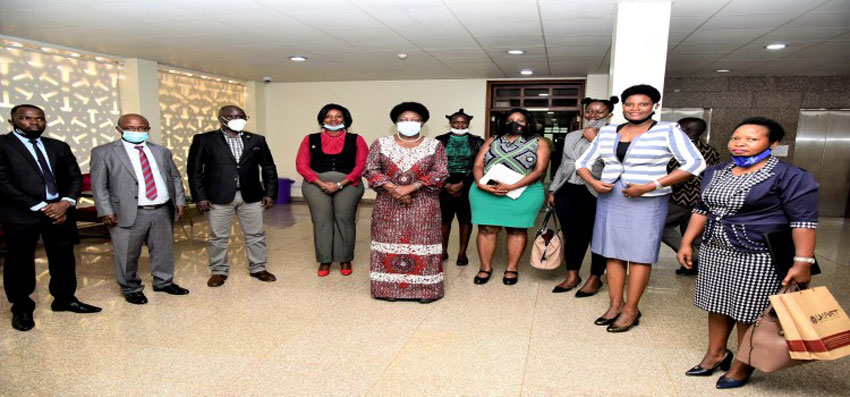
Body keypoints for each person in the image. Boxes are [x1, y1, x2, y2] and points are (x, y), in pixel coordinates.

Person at [678, 117, 818, 389]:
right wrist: (686, 242)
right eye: (736, 138)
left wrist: (803, 262)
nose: (740, 143)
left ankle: (744, 362)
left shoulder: (790, 176)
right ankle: (716, 353)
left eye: (752, 139)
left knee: (748, 311)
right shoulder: (716, 172)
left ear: (773, 144)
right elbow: (702, 209)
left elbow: (804, 222)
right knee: (716, 304)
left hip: (758, 253)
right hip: (715, 250)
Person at [575, 84, 705, 332]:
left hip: (648, 199)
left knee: (639, 255)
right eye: (630, 104)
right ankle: (615, 305)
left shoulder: (668, 130)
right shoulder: (609, 131)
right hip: (611, 196)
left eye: (643, 104)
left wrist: (652, 185)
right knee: (611, 252)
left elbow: (694, 163)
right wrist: (593, 181)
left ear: (654, 106)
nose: (635, 109)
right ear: (623, 106)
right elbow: (583, 162)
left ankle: (631, 309)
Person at [0, 104, 101, 332]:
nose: (34, 122)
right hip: (22, 213)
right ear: (12, 121)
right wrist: (42, 206)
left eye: (40, 119)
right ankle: (22, 308)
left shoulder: (58, 146)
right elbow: (3, 182)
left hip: (61, 212)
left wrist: (65, 202)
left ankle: (65, 299)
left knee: (64, 257)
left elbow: (74, 176)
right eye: (26, 118)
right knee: (20, 261)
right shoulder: (3, 146)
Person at [90, 114, 190, 305]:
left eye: (142, 128)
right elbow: (99, 185)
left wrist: (179, 200)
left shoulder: (161, 151)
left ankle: (164, 282)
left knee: (163, 250)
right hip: (126, 211)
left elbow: (174, 177)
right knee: (127, 253)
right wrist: (105, 210)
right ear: (119, 129)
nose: (137, 132)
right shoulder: (103, 152)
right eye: (131, 128)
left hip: (161, 209)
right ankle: (131, 288)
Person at [365, 102, 448, 303]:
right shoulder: (381, 143)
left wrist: (411, 187)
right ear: (395, 122)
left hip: (424, 206)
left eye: (414, 120)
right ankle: (388, 289)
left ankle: (425, 291)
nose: (408, 123)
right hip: (388, 205)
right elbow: (371, 170)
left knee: (424, 243)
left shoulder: (434, 145)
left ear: (423, 123)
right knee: (388, 242)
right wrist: (394, 190)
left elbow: (441, 172)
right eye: (403, 120)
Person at [187, 105, 278, 287]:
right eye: (232, 116)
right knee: (218, 236)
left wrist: (270, 192)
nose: (238, 118)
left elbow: (268, 167)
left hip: (251, 196)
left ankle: (258, 267)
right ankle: (219, 271)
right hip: (216, 197)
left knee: (256, 234)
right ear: (221, 118)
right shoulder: (204, 140)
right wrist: (200, 196)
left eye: (241, 116)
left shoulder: (257, 140)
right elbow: (194, 170)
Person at [468, 108, 550, 286]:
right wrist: (481, 184)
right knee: (487, 229)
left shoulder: (538, 142)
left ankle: (512, 268)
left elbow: (539, 170)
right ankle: (485, 267)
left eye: (520, 120)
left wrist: (512, 186)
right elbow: (478, 165)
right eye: (511, 120)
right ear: (504, 123)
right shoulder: (493, 139)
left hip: (524, 192)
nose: (515, 123)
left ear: (528, 123)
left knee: (517, 230)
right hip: (486, 190)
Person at [546, 97, 617, 297]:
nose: (593, 116)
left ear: (609, 115)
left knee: (598, 236)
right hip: (567, 189)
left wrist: (595, 139)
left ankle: (595, 278)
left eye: (599, 112)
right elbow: (564, 164)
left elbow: (616, 162)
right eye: (589, 111)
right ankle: (572, 275)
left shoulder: (615, 136)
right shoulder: (571, 136)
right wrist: (553, 189)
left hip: (596, 191)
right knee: (572, 234)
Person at [295, 104, 368, 277]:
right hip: (315, 183)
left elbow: (362, 165)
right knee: (321, 220)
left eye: (338, 116)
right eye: (328, 116)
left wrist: (341, 184)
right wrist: (321, 183)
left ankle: (345, 259)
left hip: (349, 183)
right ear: (322, 119)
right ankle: (325, 260)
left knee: (345, 219)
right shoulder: (309, 139)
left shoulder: (357, 139)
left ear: (345, 119)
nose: (333, 120)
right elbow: (301, 165)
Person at [661, 117, 720, 276]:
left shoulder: (679, 150)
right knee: (694, 234)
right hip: (702, 198)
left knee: (661, 226)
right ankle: (692, 265)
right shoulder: (711, 150)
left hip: (681, 197)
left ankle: (695, 258)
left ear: (689, 130)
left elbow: (672, 174)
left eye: (681, 128)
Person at [435, 109, 484, 267]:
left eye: (464, 122)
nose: (460, 125)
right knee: (444, 219)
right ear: (450, 123)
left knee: (465, 220)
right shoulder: (439, 141)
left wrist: (462, 184)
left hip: (468, 183)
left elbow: (480, 165)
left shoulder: (478, 142)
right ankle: (443, 251)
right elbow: (433, 164)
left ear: (468, 124)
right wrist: (445, 184)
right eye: (456, 122)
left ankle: (462, 253)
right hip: (443, 184)